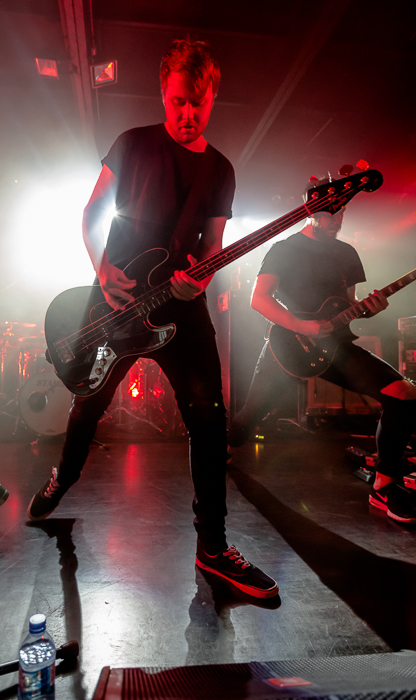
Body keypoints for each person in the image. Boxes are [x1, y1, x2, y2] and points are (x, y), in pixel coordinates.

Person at [27, 38, 278, 599]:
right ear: (163, 94)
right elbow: (93, 211)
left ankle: (212, 547)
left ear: (213, 98)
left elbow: (212, 246)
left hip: (180, 308)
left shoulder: (220, 169)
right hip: (115, 300)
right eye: (178, 101)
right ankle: (62, 477)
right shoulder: (132, 143)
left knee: (209, 419)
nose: (188, 113)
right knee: (87, 405)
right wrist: (103, 268)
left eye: (198, 103)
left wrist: (200, 280)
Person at [228, 183, 416, 524]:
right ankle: (222, 449)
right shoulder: (284, 248)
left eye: (341, 212)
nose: (337, 220)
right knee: (249, 418)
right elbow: (259, 299)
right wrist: (302, 326)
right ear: (310, 210)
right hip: (288, 346)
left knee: (402, 392)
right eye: (330, 214)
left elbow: (347, 304)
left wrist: (370, 309)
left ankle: (384, 485)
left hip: (336, 347)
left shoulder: (347, 253)